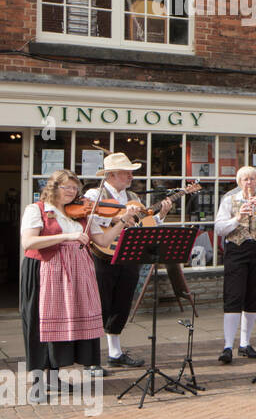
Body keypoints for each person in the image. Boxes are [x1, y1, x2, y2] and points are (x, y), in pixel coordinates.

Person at [19, 170, 115, 384]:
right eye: (67, 187)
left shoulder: (80, 214)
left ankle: (55, 378)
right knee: (40, 325)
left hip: (75, 274)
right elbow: (28, 242)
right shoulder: (37, 210)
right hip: (44, 271)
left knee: (62, 327)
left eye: (75, 188)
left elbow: (103, 239)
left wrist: (122, 222)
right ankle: (37, 383)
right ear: (53, 188)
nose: (72, 192)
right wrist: (67, 236)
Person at [81, 152, 173, 368]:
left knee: (122, 303)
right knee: (100, 304)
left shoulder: (133, 197)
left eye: (131, 172)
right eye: (126, 172)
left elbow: (145, 225)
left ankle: (115, 353)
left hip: (129, 254)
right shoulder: (95, 194)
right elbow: (89, 218)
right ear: (111, 175)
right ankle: (92, 359)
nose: (131, 176)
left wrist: (161, 216)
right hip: (102, 253)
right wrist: (119, 217)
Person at [213, 166, 256, 362]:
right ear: (239, 182)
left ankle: (245, 343)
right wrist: (237, 218)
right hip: (236, 250)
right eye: (245, 180)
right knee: (233, 295)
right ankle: (227, 346)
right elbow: (219, 228)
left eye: (252, 179)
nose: (249, 183)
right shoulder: (229, 201)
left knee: (253, 296)